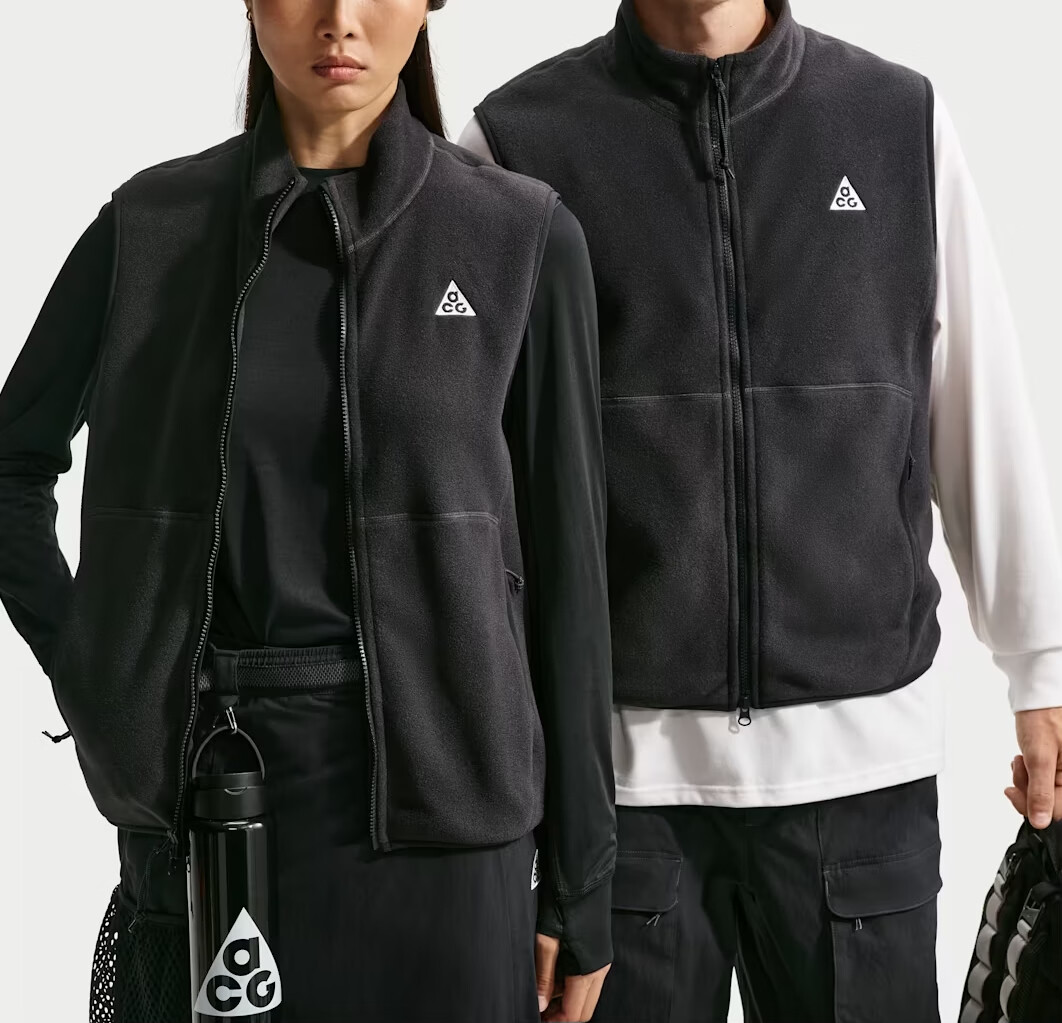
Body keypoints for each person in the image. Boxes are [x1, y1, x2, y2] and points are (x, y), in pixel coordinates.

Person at [0, 2, 617, 1020]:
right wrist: (97, 665)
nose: (340, 20)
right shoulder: (150, 229)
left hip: (454, 829)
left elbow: (571, 576)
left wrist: (585, 877)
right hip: (217, 803)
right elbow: (13, 467)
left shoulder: (521, 237)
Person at [458, 0, 1062, 1019]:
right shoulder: (517, 142)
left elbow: (976, 398)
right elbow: (468, 475)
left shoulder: (896, 120)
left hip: (861, 782)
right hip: (621, 795)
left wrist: (1040, 666)